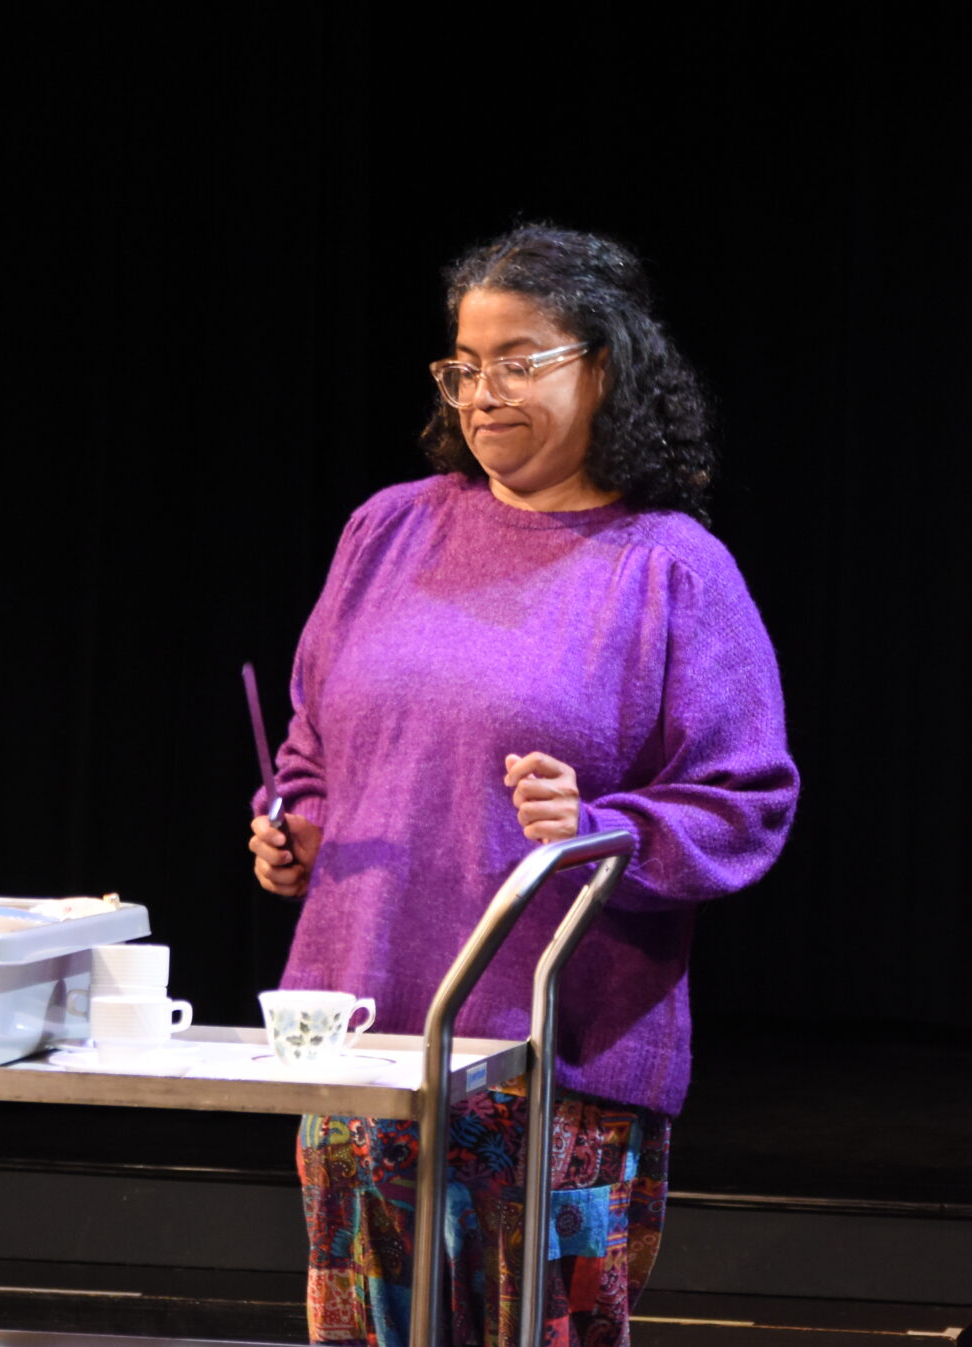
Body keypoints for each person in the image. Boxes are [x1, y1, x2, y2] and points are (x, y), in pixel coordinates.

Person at [246, 224, 798, 1347]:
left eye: (517, 360)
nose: (482, 393)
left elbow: (743, 802)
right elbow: (314, 743)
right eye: (463, 366)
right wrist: (296, 824)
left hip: (556, 1059)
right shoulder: (388, 530)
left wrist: (598, 829)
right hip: (364, 1040)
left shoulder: (669, 567)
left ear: (604, 367)